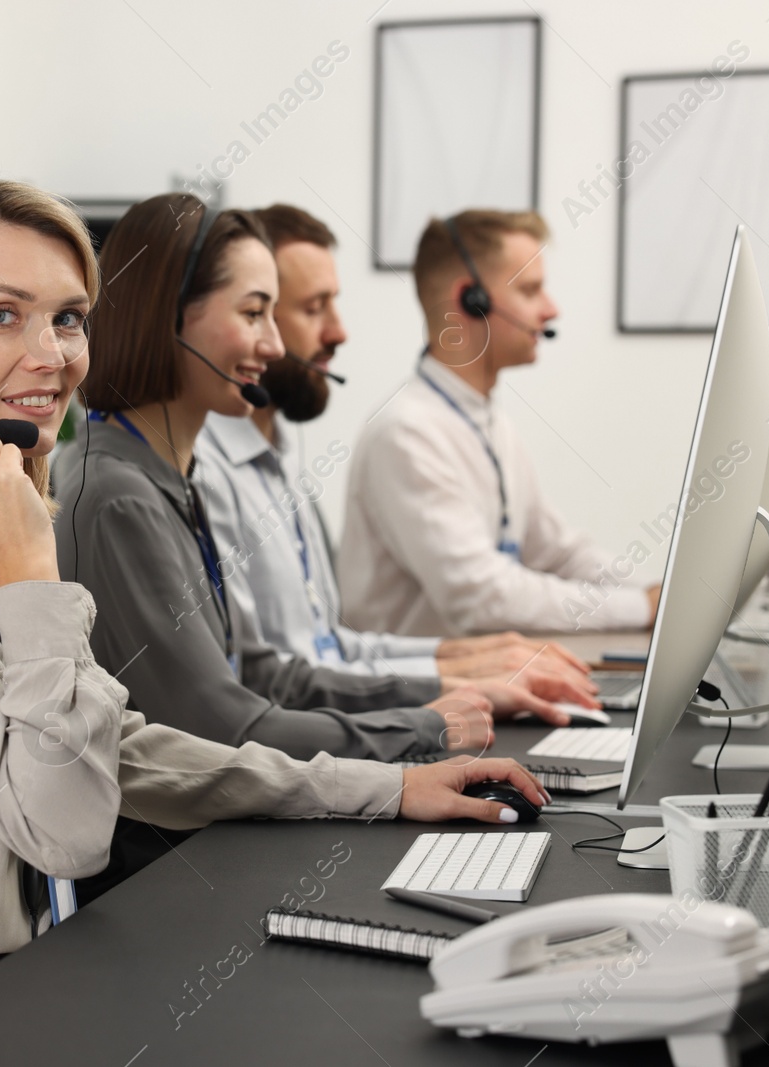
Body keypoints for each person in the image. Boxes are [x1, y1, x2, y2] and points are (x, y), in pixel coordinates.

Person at [0, 178, 548, 1066]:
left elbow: (116, 750)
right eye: (4, 316)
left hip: (4, 974)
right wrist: (28, 563)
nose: (52, 353)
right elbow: (64, 823)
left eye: (68, 318)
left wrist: (383, 789)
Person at [55, 194, 585, 767]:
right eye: (254, 314)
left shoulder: (174, 476)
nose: (276, 346)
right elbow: (215, 724)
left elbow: (260, 673)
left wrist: (446, 698)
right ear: (171, 317)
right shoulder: (120, 499)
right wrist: (423, 728)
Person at [193, 203, 596, 698]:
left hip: (348, 727)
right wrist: (453, 687)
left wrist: (465, 663)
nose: (340, 332)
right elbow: (263, 686)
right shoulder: (205, 473)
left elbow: (331, 648)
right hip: (326, 746)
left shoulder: (281, 461)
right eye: (312, 308)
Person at [338, 209, 661, 636]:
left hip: (480, 685)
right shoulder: (406, 433)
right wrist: (640, 608)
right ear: (471, 301)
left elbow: (558, 553)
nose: (550, 309)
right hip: (420, 699)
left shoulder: (489, 422)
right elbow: (483, 596)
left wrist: (663, 596)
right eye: (530, 290)